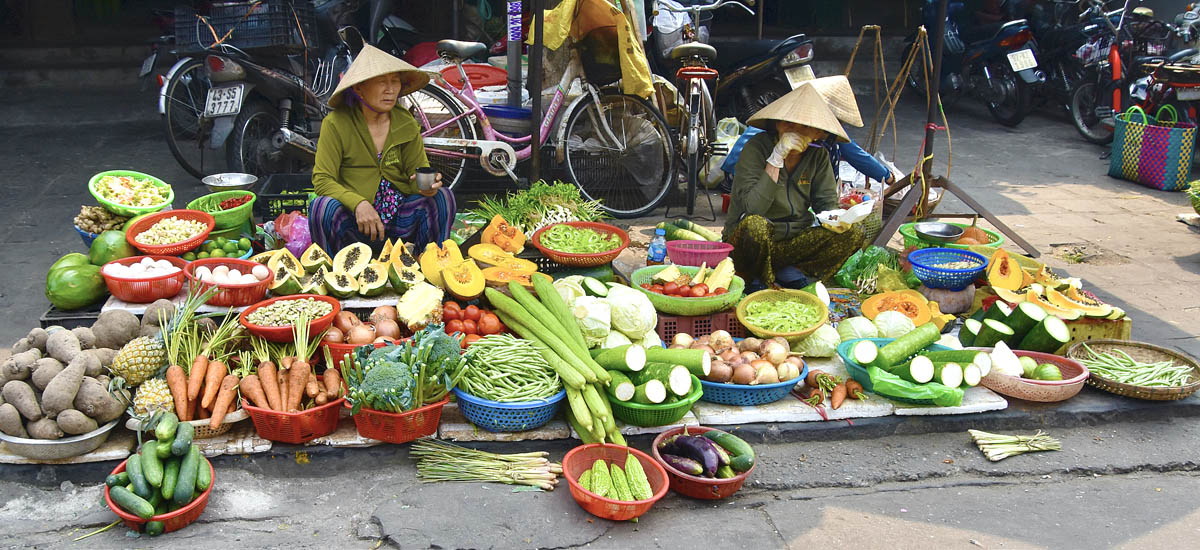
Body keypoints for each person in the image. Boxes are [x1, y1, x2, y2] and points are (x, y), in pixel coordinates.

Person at [308, 45, 455, 254]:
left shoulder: (405, 122)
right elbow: (322, 180)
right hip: (355, 223)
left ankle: (432, 266)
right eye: (381, 82)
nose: (390, 89)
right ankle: (333, 274)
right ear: (359, 88)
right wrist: (358, 204)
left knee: (443, 197)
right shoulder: (336, 123)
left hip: (399, 222)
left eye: (395, 81)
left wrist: (427, 188)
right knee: (321, 207)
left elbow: (418, 175)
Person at [721, 84, 865, 287]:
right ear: (777, 124)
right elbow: (753, 209)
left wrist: (843, 218)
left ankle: (800, 276)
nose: (795, 132)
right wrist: (775, 158)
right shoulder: (756, 148)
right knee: (756, 226)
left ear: (818, 133)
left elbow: (826, 206)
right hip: (749, 243)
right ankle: (760, 281)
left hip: (792, 241)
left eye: (805, 127)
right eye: (788, 124)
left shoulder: (818, 155)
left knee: (854, 231)